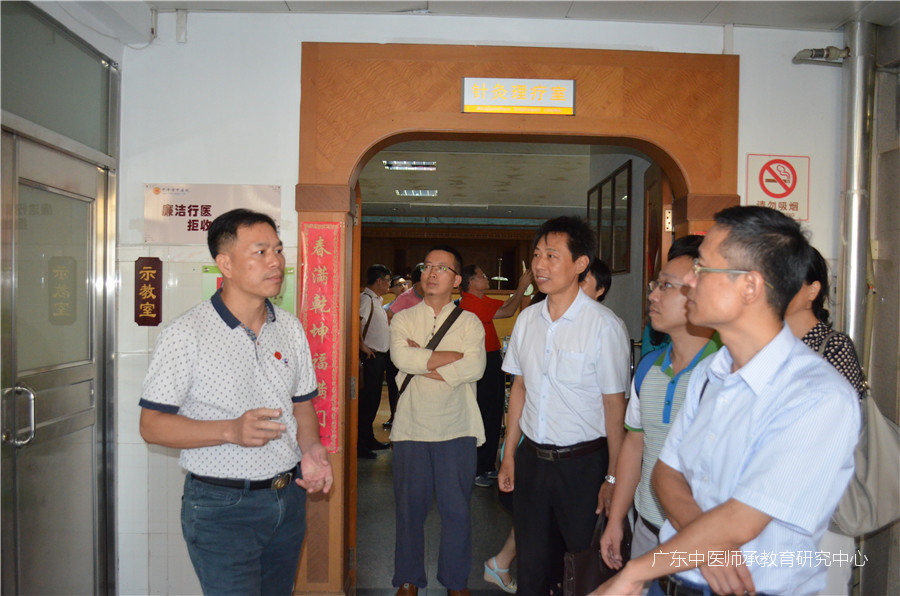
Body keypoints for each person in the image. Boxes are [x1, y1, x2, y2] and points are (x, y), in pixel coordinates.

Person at [596, 206, 860, 596]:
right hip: (676, 580)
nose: (689, 279)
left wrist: (636, 571)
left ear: (750, 287)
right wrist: (710, 548)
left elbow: (742, 518)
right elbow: (666, 476)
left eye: (701, 268)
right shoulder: (711, 373)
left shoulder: (817, 395)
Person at [138, 208, 333, 596]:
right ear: (224, 263)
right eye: (260, 252)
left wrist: (311, 450)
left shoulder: (290, 328)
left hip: (286, 498)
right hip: (221, 507)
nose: (276, 261)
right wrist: (230, 430)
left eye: (277, 250)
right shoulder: (186, 333)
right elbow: (152, 425)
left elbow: (302, 406)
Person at [499, 216, 631, 596]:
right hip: (533, 463)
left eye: (552, 256)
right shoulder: (526, 320)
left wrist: (611, 476)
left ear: (580, 264)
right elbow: (519, 390)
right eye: (537, 255)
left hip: (583, 467)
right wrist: (509, 455)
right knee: (533, 567)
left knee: (581, 566)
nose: (540, 265)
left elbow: (613, 407)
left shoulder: (604, 326)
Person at [599, 236, 719, 573]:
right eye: (656, 284)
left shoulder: (727, 372)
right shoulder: (650, 368)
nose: (652, 295)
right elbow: (636, 444)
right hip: (647, 527)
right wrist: (617, 519)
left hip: (704, 539)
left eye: (666, 286)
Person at [389, 246, 487, 596]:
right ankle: (408, 578)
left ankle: (456, 581)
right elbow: (400, 357)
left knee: (457, 512)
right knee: (409, 511)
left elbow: (474, 367)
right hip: (411, 427)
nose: (431, 273)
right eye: (427, 266)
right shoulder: (402, 318)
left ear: (456, 279)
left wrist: (422, 360)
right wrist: (448, 360)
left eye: (441, 268)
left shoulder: (469, 321)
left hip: (457, 427)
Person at [784, 245, 865, 596]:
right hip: (774, 498)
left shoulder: (834, 347)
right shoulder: (768, 346)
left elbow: (846, 426)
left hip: (823, 504)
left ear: (812, 290)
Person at [459, 263, 534, 487]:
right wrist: (522, 287)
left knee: (493, 414)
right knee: (484, 414)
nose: (486, 278)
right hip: (481, 363)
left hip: (491, 361)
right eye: (482, 275)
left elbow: (509, 307)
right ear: (471, 282)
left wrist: (523, 293)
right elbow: (509, 310)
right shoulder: (469, 303)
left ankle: (488, 465)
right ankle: (478, 468)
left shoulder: (482, 300)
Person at [358, 264, 393, 458]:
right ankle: (360, 444)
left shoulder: (377, 300)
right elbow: (356, 322)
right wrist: (362, 346)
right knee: (366, 403)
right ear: (379, 281)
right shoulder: (366, 299)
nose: (389, 284)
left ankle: (368, 438)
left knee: (373, 401)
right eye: (387, 280)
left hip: (379, 358)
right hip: (370, 358)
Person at [382, 275, 410, 430]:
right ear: (392, 289)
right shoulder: (387, 309)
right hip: (392, 350)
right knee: (393, 386)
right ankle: (394, 416)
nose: (403, 287)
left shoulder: (413, 305)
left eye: (405, 284)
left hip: (409, 351)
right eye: (399, 285)